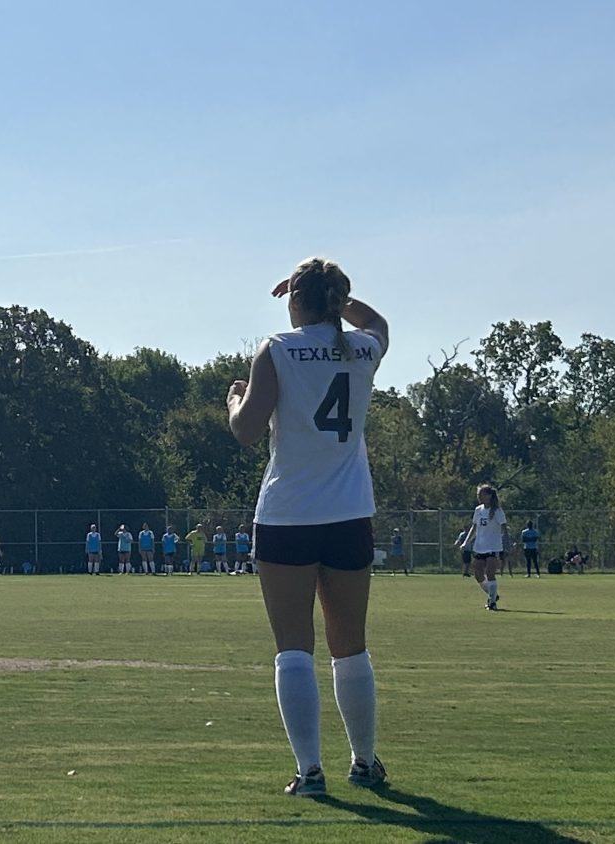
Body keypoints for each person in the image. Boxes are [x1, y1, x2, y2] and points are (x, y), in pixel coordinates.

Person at [226, 257, 390, 796]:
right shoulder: (363, 346)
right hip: (349, 515)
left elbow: (248, 430)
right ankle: (365, 762)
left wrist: (232, 400)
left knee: (294, 648)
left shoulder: (276, 347)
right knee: (352, 648)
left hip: (287, 515)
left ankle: (310, 771)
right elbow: (379, 325)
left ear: (295, 300)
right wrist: (343, 300)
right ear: (339, 300)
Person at [459, 484, 507, 611]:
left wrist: (505, 545)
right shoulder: (478, 510)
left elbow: (504, 529)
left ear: (489, 496)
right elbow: (474, 528)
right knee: (478, 575)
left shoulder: (497, 511)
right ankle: (493, 595)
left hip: (493, 547)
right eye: (478, 495)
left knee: (490, 574)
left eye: (481, 495)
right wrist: (465, 542)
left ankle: (492, 603)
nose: (479, 497)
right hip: (480, 547)